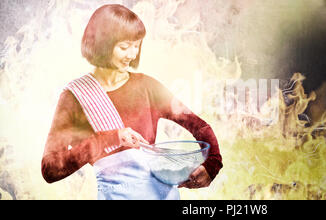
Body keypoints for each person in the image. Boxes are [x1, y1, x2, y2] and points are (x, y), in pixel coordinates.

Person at [41, 4, 222, 200]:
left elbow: (199, 126)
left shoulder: (147, 86)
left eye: (136, 45)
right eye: (124, 47)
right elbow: (50, 169)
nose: (132, 54)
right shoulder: (75, 97)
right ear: (102, 43)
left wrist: (212, 165)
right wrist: (111, 138)